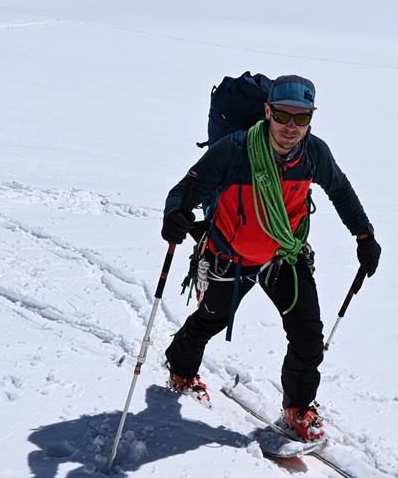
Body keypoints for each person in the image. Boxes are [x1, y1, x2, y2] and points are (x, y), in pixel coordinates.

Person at [160, 74, 381, 442]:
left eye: (302, 118)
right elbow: (186, 190)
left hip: (284, 254)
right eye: (282, 116)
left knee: (308, 333)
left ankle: (298, 408)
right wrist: (174, 216)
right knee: (210, 320)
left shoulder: (314, 152)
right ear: (267, 112)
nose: (291, 127)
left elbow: (340, 189)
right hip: (230, 256)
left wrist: (364, 235)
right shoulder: (235, 149)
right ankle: (181, 368)